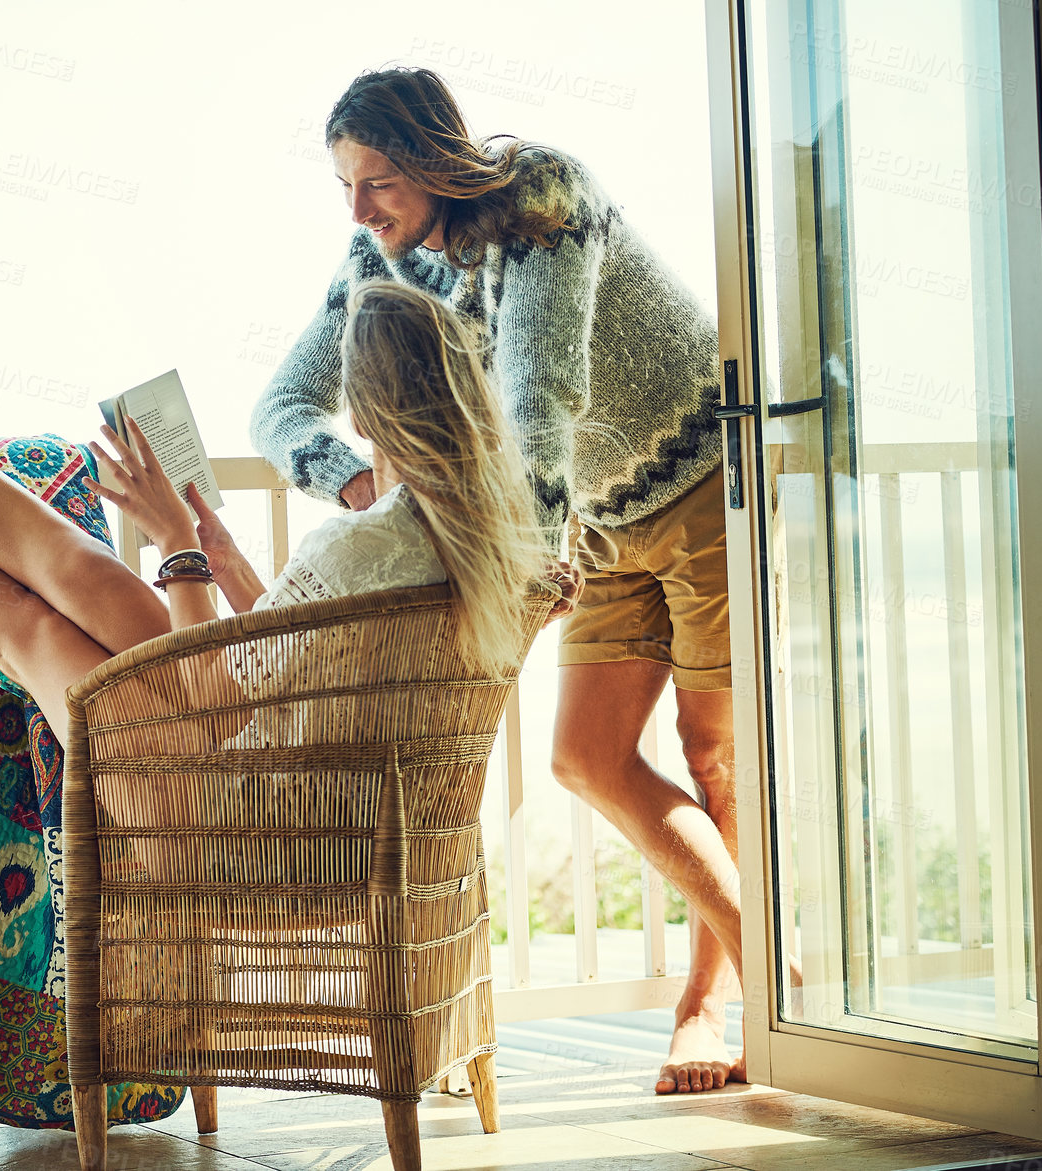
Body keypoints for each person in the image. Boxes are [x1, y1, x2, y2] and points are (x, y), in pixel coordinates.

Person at [250, 67, 740, 1094]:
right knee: (586, 757)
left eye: (377, 181)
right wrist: (353, 480)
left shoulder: (540, 198)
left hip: (700, 486)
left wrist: (522, 573)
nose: (357, 208)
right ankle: (773, 957)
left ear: (432, 160)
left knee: (714, 756)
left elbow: (538, 391)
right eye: (343, 185)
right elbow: (281, 406)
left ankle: (715, 1001)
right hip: (599, 520)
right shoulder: (374, 255)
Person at [0, 255, 574, 741]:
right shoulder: (494, 544)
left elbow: (216, 688)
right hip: (334, 808)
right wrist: (215, 555)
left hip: (229, 821)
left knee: (30, 629)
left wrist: (176, 541)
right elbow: (293, 650)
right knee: (96, 582)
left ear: (365, 415)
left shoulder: (359, 542)